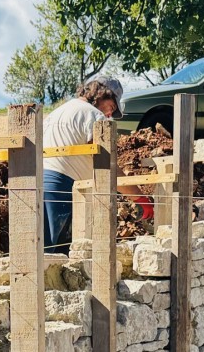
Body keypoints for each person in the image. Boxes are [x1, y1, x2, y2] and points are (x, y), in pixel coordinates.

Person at [41, 76, 144, 253]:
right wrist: (139, 198)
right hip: (62, 187)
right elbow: (107, 165)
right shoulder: (93, 115)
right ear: (102, 94)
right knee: (54, 257)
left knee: (43, 251)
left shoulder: (57, 112)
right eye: (111, 107)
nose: (110, 114)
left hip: (37, 184)